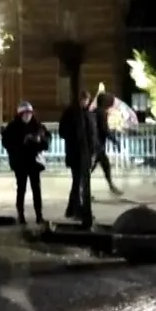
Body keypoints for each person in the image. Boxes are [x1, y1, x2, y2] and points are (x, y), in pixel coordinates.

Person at [0, 101, 51, 228]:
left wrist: (38, 141)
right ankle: (21, 215)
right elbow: (6, 142)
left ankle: (39, 215)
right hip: (20, 162)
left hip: (34, 162)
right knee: (21, 189)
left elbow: (46, 142)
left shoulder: (37, 125)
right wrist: (21, 142)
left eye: (29, 113)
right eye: (25, 113)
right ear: (20, 114)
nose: (27, 116)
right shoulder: (13, 126)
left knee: (36, 189)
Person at [58, 90, 98, 228]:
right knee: (82, 184)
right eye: (83, 100)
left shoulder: (87, 114)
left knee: (79, 183)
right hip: (77, 154)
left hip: (84, 154)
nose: (85, 102)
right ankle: (82, 212)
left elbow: (92, 135)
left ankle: (74, 209)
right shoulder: (72, 113)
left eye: (86, 100)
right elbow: (63, 131)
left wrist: (93, 151)